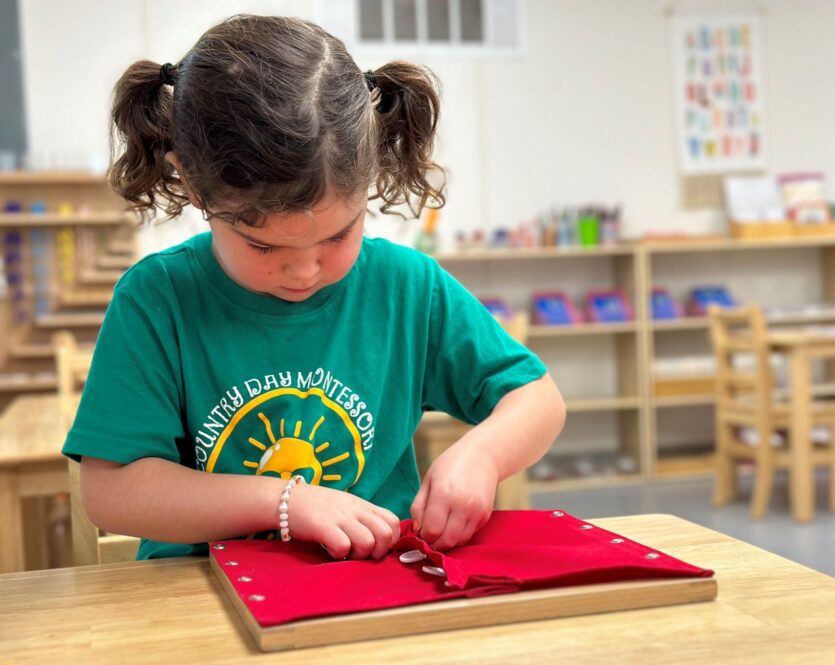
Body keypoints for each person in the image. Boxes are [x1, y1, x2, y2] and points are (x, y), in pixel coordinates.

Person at [63, 14, 566, 562]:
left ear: (370, 174)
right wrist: (284, 502)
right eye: (263, 246)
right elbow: (111, 491)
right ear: (190, 182)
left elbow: (536, 398)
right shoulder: (157, 299)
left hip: (377, 586)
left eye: (339, 234)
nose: (304, 271)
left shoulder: (405, 287)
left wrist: (482, 457)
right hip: (201, 600)